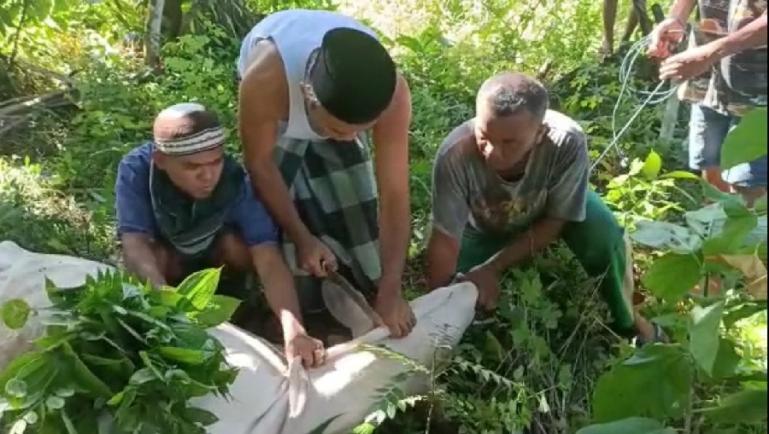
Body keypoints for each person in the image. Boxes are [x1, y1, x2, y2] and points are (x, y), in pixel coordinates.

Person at [426, 73, 660, 343]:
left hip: (546, 213)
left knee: (604, 233)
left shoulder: (567, 141)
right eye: (484, 135)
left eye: (508, 142)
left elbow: (557, 219)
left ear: (540, 133)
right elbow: (444, 239)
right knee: (460, 295)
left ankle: (629, 320)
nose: (491, 151)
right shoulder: (454, 155)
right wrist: (437, 305)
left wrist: (495, 266)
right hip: (483, 227)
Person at [236, 9, 415, 338]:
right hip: (280, 112)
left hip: (331, 102)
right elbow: (259, 165)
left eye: (358, 132)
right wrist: (303, 238)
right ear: (308, 94)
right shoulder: (266, 78)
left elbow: (394, 195)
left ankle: (357, 283)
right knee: (274, 217)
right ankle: (282, 308)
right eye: (336, 129)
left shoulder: (393, 95)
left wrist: (391, 291)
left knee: (355, 207)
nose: (348, 139)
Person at [115, 102, 326, 367]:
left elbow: (267, 256)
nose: (208, 176)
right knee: (151, 257)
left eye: (215, 163)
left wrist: (295, 329)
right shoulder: (137, 170)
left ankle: (248, 307)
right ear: (161, 161)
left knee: (236, 245)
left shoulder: (234, 180)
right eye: (193, 167)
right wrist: (168, 310)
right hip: (168, 263)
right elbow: (134, 244)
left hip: (216, 257)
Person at [648, 0, 767, 203]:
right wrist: (676, 18)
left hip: (759, 85)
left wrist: (711, 52)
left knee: (750, 183)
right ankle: (717, 228)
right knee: (710, 168)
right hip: (709, 79)